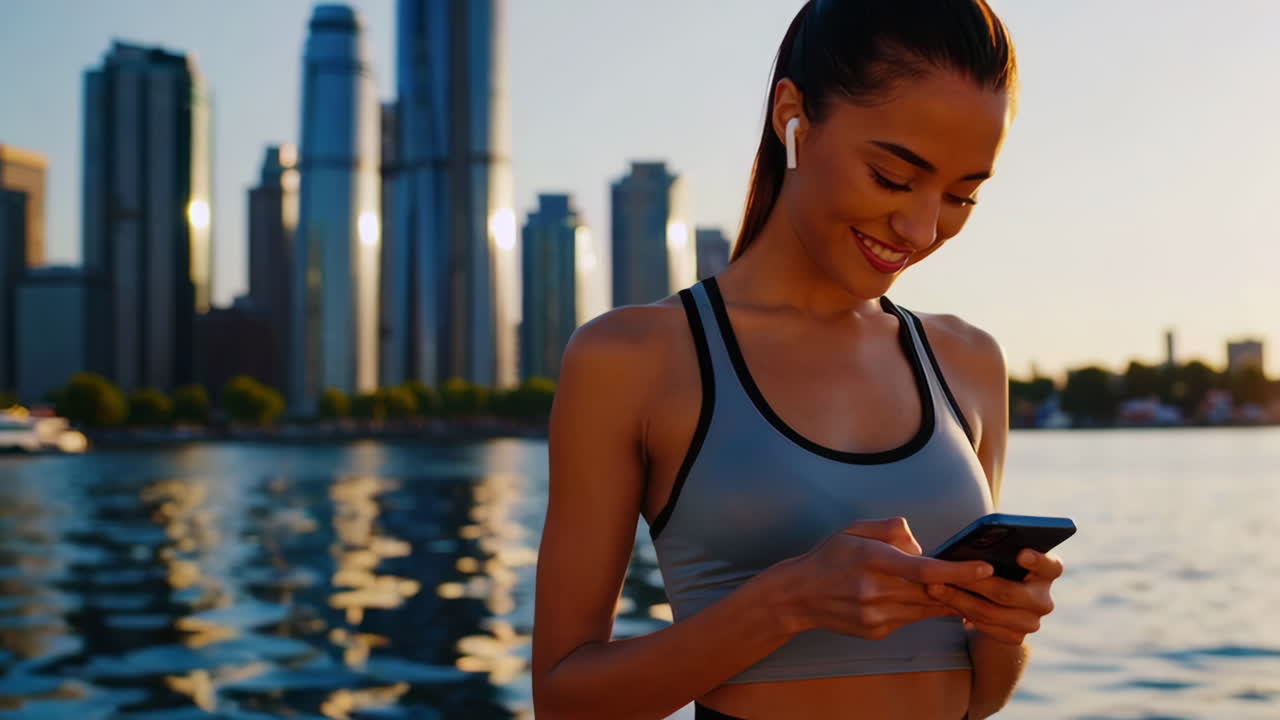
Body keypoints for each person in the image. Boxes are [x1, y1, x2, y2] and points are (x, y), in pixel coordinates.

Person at [531, 1, 1064, 717]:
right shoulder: (633, 358)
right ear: (794, 116)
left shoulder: (968, 361)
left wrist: (1006, 627)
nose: (922, 228)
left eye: (961, 196)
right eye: (893, 178)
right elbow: (566, 700)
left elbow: (980, 696)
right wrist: (788, 603)